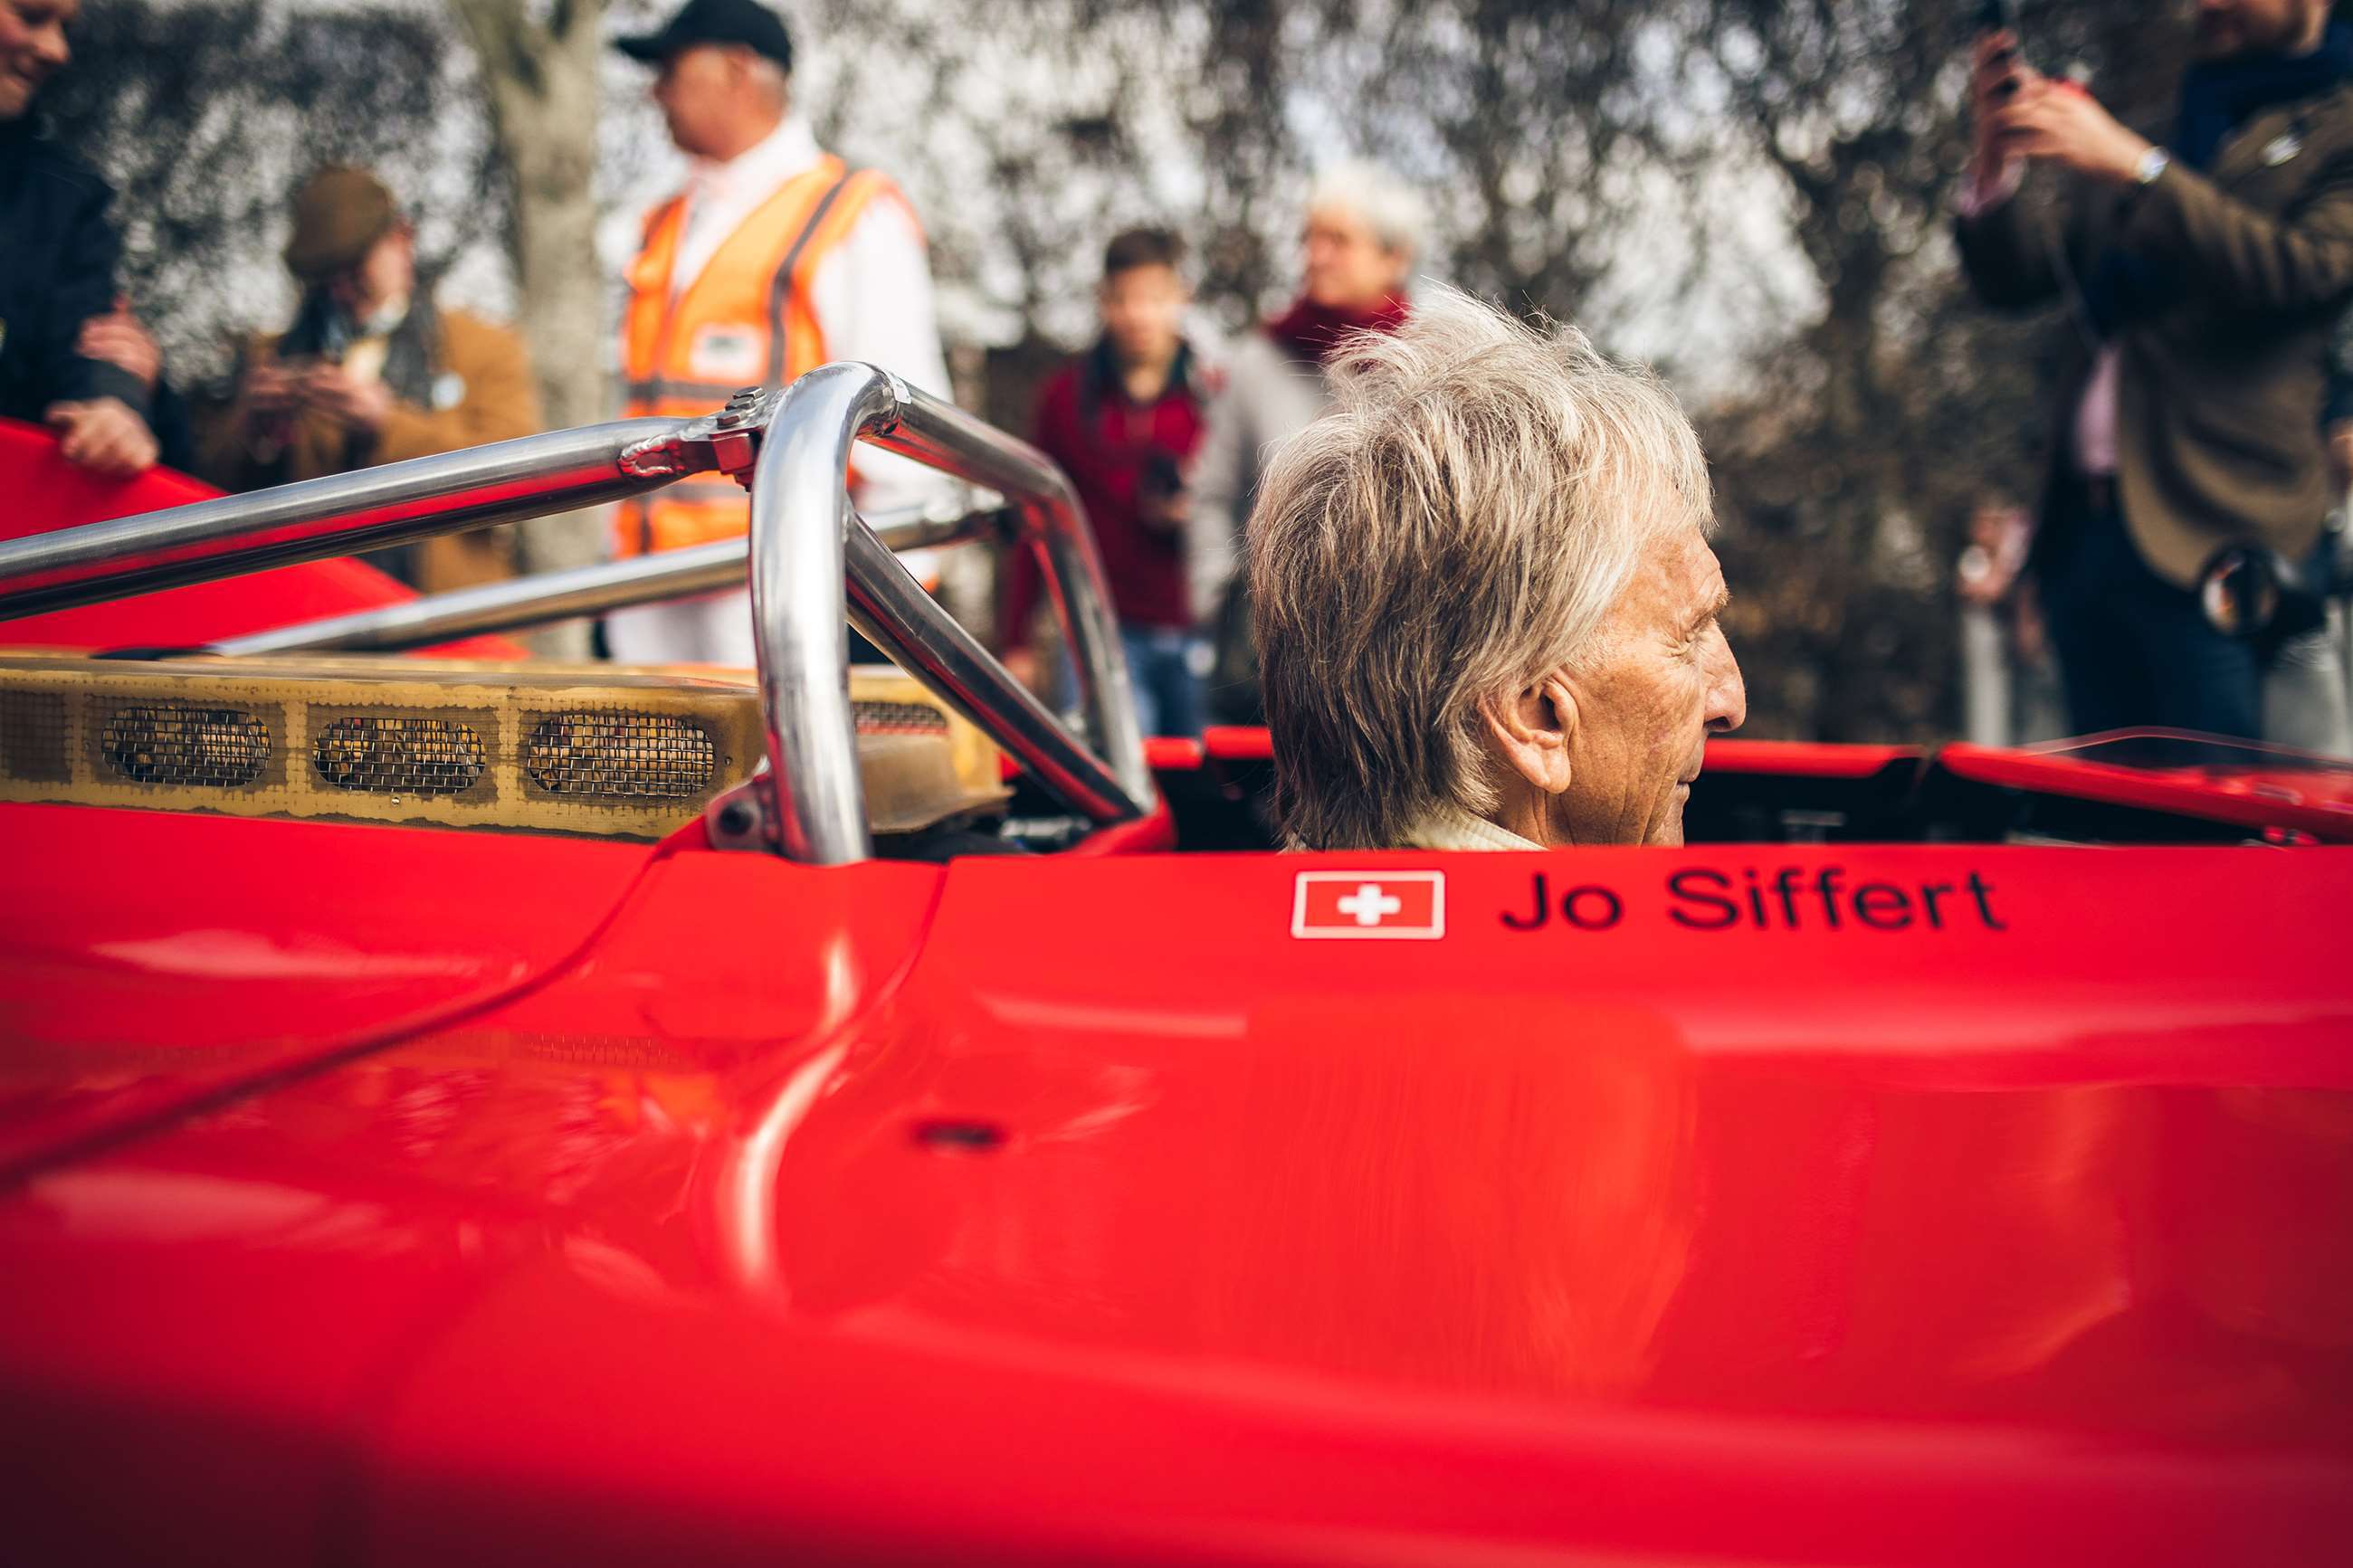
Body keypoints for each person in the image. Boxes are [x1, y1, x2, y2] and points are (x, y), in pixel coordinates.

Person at [1957, 0, 2353, 740]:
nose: (2207, 7)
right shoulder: (2172, 113)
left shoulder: (2338, 123)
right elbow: (2023, 278)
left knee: (2216, 826)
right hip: (2088, 538)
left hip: (2222, 530)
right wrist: (1995, 162)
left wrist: (2136, 167)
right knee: (2107, 825)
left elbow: (2302, 270)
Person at [1250, 286, 1746, 851]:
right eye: (1688, 637)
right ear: (1537, 717)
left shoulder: (1307, 906)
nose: (1730, 700)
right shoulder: (1571, 939)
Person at [605, 0, 955, 667]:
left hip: (778, 589)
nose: (656, 91)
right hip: (650, 594)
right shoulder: (662, 222)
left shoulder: (851, 214)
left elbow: (900, 426)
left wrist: (885, 613)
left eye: (672, 68)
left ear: (738, 69)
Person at [195, 166, 542, 592]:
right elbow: (210, 495)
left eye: (355, 268)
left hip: (446, 617)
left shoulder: (485, 347)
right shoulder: (272, 357)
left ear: (402, 239)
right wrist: (256, 433)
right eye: (327, 277)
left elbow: (521, 480)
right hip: (309, 608)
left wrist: (385, 422)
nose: (342, 291)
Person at [1187, 160, 1426, 722]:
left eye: (1338, 240)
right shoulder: (1255, 361)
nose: (1315, 255)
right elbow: (1212, 491)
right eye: (1310, 238)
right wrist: (1217, 597)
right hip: (1266, 661)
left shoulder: (1434, 361)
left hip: (1399, 658)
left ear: (1393, 258)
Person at [1000, 229, 1215, 736]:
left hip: (1199, 632)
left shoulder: (1215, 397)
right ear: (1104, 301)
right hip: (1097, 632)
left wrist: (1195, 515)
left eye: (1155, 298)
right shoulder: (1064, 400)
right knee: (1118, 787)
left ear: (1183, 298)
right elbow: (1034, 517)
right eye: (1124, 298)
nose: (1139, 315)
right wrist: (1018, 642)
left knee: (1209, 794)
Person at [0, 0, 161, 478]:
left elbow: (89, 341)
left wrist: (112, 405)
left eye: (63, 28)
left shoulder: (65, 202)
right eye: (30, 16)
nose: (57, 50)